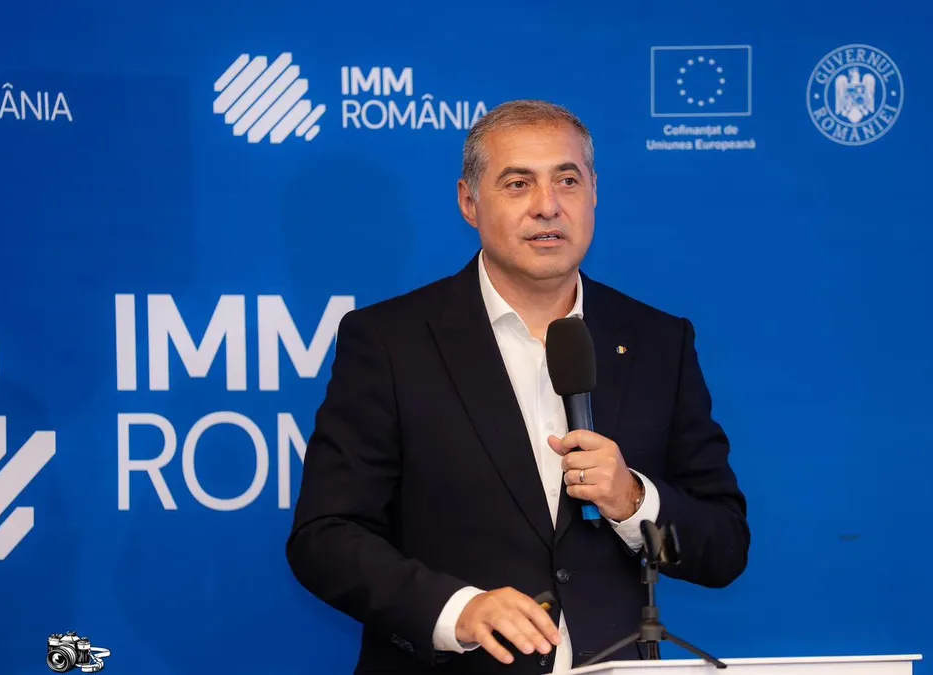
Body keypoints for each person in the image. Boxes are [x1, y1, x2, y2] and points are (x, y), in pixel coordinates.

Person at [286, 100, 749, 675]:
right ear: (469, 202)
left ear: (595, 193)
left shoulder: (658, 341)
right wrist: (456, 610)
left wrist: (633, 500)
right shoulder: (390, 342)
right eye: (518, 183)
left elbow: (724, 548)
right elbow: (326, 537)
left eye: (568, 180)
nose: (548, 205)